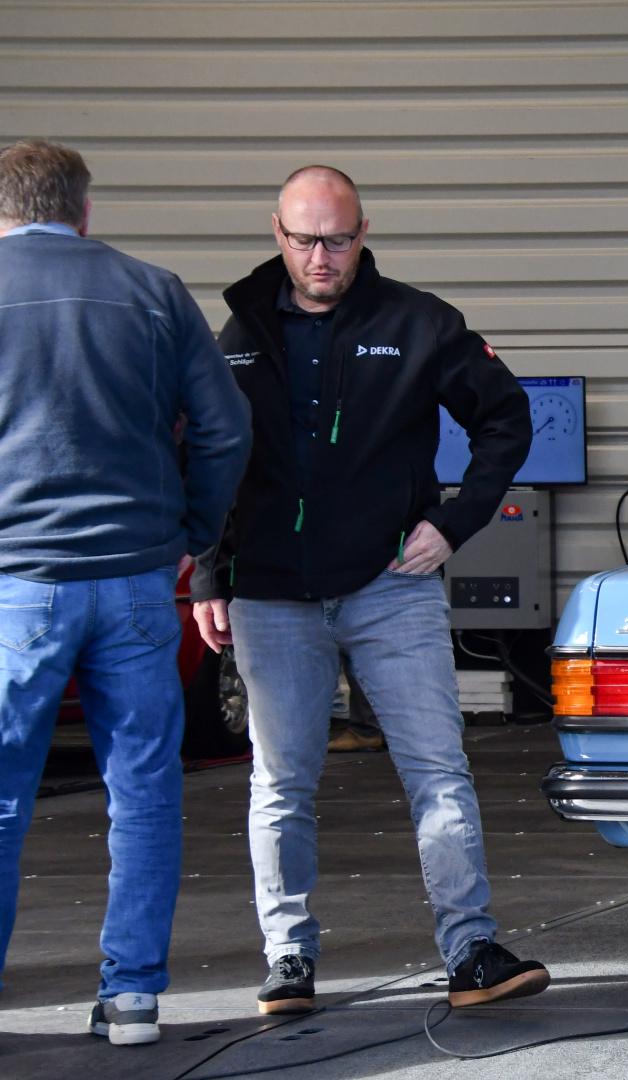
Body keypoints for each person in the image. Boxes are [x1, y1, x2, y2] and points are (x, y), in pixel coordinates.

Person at [189, 165, 545, 1015]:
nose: (322, 257)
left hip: (392, 587)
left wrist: (453, 524)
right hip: (270, 594)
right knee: (280, 784)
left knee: (438, 771)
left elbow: (506, 419)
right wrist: (207, 571)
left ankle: (471, 950)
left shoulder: (418, 323)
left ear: (363, 233)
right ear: (277, 233)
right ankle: (288, 959)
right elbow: (205, 454)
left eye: (339, 240)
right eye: (306, 239)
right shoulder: (235, 335)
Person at [0, 140, 252, 1045]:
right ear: (84, 210)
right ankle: (134, 996)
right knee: (143, 791)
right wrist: (189, 531)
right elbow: (225, 427)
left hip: (17, 584)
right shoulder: (153, 290)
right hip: (140, 581)